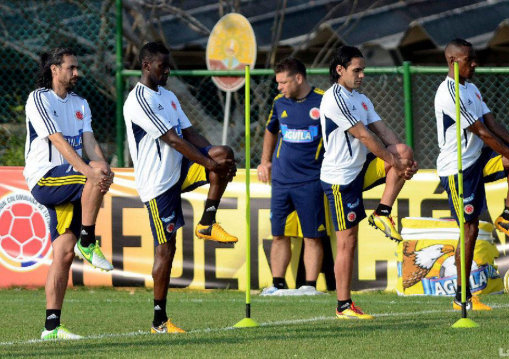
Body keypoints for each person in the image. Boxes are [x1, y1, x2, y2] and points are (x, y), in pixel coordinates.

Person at [123, 41, 237, 334]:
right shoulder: (137, 100)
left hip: (179, 170)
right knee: (166, 249)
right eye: (162, 66)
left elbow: (189, 133)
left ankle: (208, 222)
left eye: (168, 65)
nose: (167, 71)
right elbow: (172, 139)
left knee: (223, 152)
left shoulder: (169, 96)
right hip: (158, 184)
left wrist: (216, 160)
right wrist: (210, 167)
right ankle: (159, 320)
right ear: (147, 65)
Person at [435, 38, 509, 311]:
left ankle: (508, 216)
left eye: (474, 58)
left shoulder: (472, 88)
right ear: (452, 61)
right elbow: (480, 130)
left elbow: (492, 123)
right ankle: (462, 296)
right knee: (469, 229)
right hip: (458, 170)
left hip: (478, 161)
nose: (475, 64)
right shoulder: (449, 92)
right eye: (469, 60)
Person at [320, 46, 417, 319]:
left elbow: (383, 131)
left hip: (359, 169)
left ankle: (382, 213)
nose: (362, 75)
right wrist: (393, 161)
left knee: (404, 151)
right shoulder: (334, 98)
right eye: (356, 70)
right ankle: (343, 305)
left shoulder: (360, 99)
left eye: (363, 70)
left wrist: (405, 160)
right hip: (340, 178)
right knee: (347, 241)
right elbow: (364, 136)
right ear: (340, 70)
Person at [24, 48, 115, 340]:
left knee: (63, 254)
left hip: (72, 180)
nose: (77, 73)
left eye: (77, 68)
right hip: (46, 179)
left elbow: (89, 141)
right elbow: (58, 141)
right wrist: (90, 172)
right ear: (54, 69)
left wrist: (102, 166)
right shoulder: (39, 98)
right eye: (71, 68)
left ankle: (51, 327)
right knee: (91, 175)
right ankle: (88, 240)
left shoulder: (80, 103)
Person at [257, 58, 325, 296]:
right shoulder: (279, 102)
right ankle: (277, 283)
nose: (279, 87)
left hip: (311, 180)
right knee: (278, 233)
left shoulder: (323, 101)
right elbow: (270, 131)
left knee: (312, 235)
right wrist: (265, 162)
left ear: (299, 78)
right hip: (281, 180)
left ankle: (309, 286)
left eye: (283, 82)